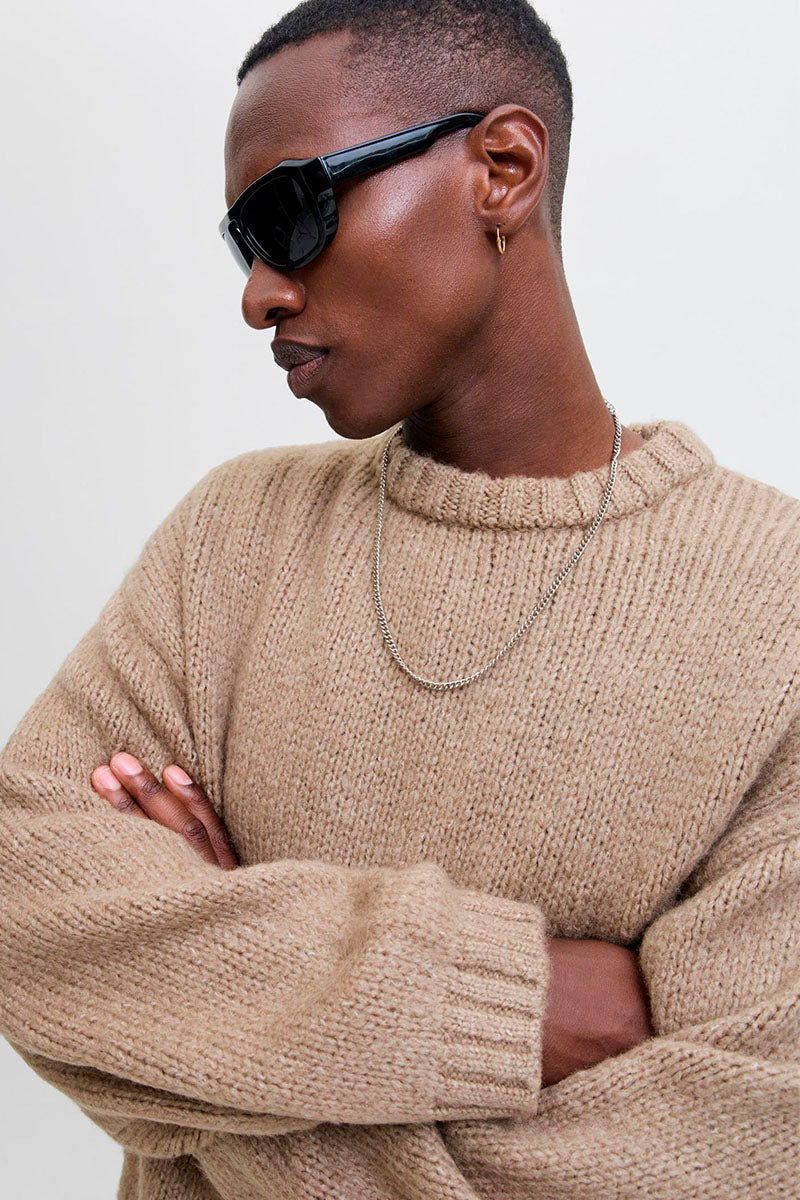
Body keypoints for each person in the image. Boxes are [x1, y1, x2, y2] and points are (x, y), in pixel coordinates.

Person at [0, 2, 797, 1198]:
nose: (259, 294)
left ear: (501, 170)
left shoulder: (774, 604)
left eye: (291, 215)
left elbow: (748, 1142)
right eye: (242, 244)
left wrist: (219, 1033)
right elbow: (22, 913)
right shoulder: (234, 536)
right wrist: (496, 1004)